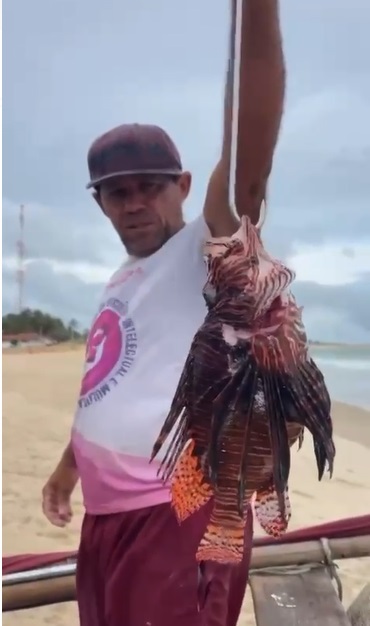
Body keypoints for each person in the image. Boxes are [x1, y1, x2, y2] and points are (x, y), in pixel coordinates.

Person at [42, 1, 285, 624]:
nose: (132, 203)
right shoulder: (121, 280)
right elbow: (105, 385)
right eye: (116, 192)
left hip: (181, 515)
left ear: (182, 185)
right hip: (107, 523)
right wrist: (68, 472)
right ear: (100, 203)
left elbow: (248, 156)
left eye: (148, 185)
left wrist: (256, 11)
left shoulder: (208, 250)